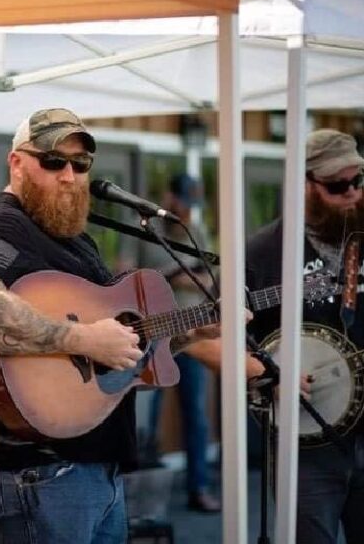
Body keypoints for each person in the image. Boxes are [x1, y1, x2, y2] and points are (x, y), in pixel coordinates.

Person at [0, 108, 217, 544]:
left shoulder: (74, 237)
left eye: (80, 164)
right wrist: (83, 338)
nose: (69, 175)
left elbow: (123, 345)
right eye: (53, 162)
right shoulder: (5, 225)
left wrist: (192, 332)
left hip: (94, 470)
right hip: (43, 477)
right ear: (17, 163)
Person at [188, 129, 364, 544]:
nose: (353, 194)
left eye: (358, 181)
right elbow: (199, 337)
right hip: (306, 447)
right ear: (303, 184)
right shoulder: (262, 253)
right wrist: (266, 373)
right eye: (338, 185)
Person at [138, 173, 221, 512]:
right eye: (184, 203)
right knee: (147, 418)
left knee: (196, 416)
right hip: (154, 338)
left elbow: (209, 281)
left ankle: (198, 487)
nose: (187, 212)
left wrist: (179, 278)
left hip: (193, 339)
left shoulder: (196, 234)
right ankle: (142, 493)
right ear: (170, 199)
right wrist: (173, 277)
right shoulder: (146, 234)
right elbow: (130, 276)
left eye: (192, 206)